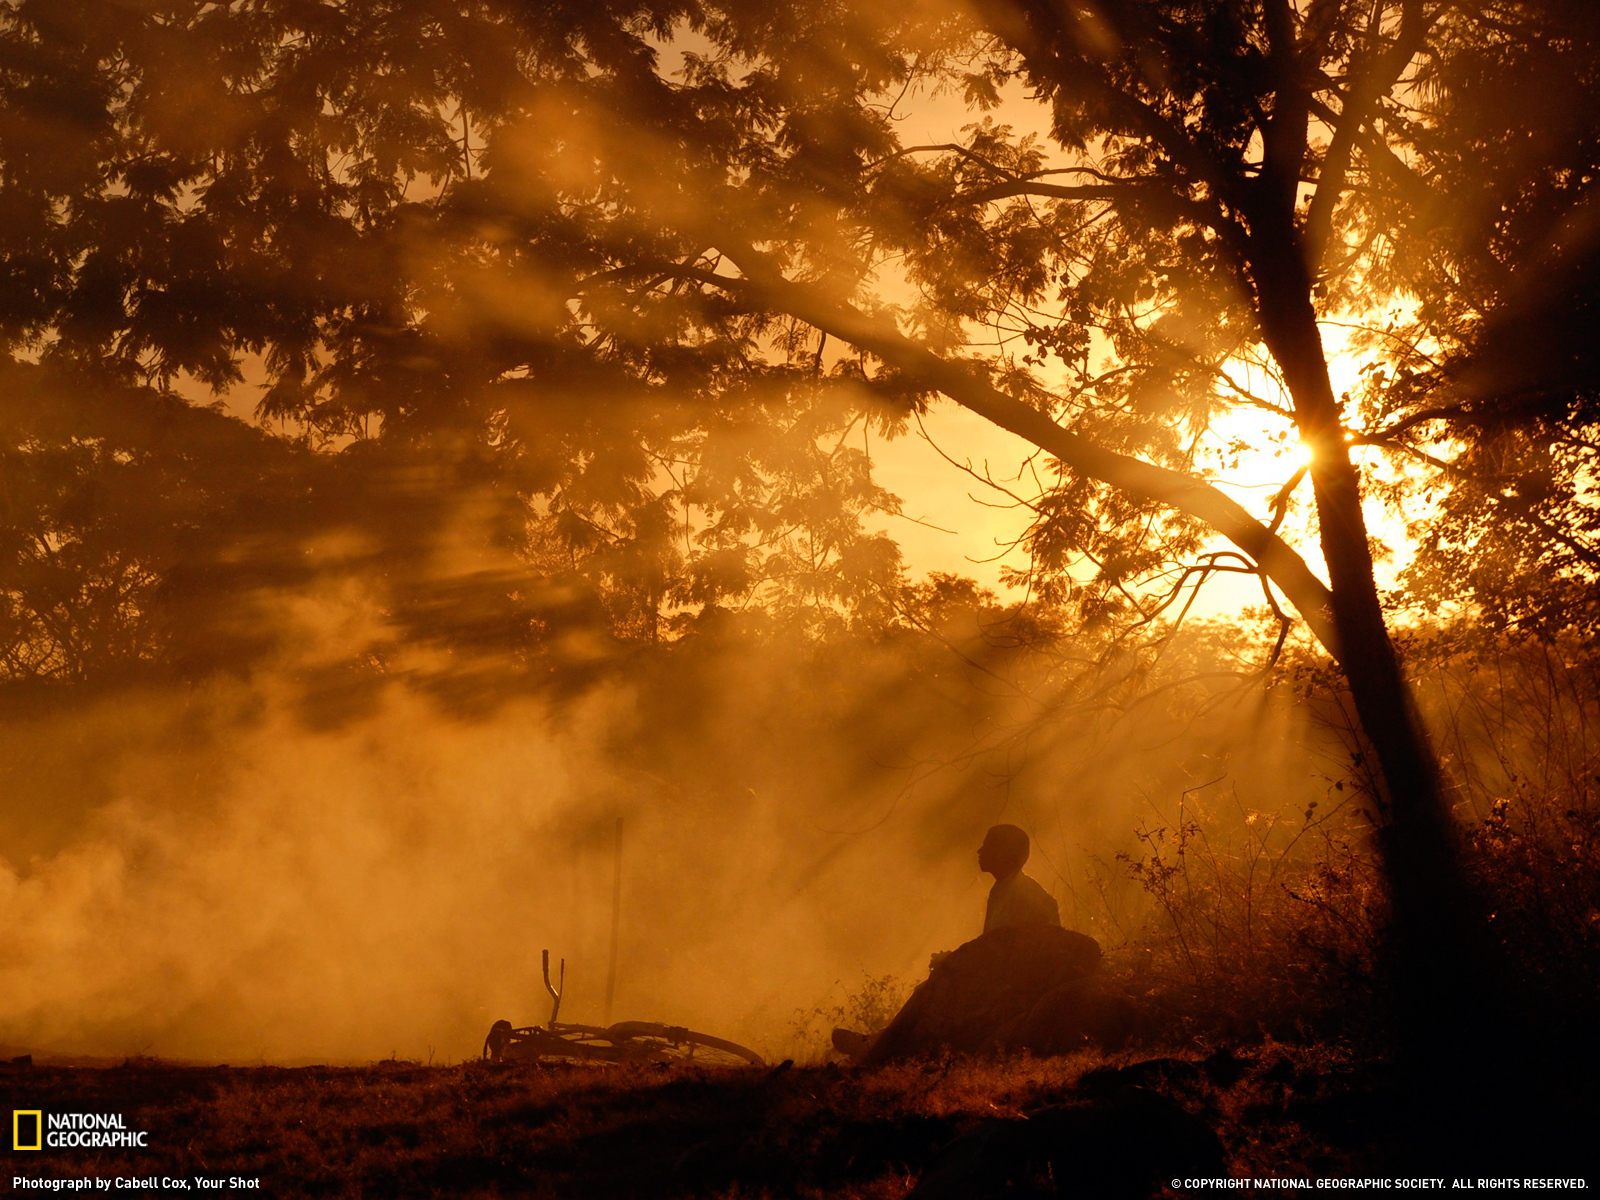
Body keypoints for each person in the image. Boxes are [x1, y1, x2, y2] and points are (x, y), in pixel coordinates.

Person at [833, 824, 1062, 1058]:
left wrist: (957, 963)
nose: (979, 851)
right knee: (935, 983)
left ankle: (876, 1047)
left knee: (932, 988)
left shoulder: (1026, 896)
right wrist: (955, 960)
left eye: (988, 845)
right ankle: (879, 1044)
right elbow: (992, 948)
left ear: (1005, 852)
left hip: (1012, 988)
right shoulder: (1004, 890)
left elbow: (1015, 956)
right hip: (999, 981)